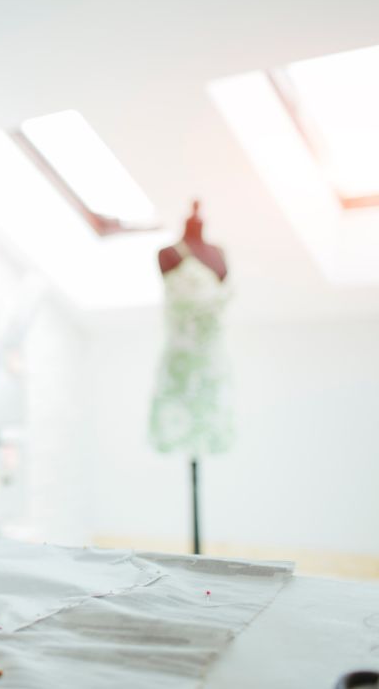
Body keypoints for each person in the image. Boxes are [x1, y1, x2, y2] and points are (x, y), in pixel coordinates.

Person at [149, 200, 233, 553]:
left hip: (212, 368)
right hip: (179, 367)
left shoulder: (220, 253)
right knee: (181, 439)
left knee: (207, 440)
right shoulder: (167, 254)